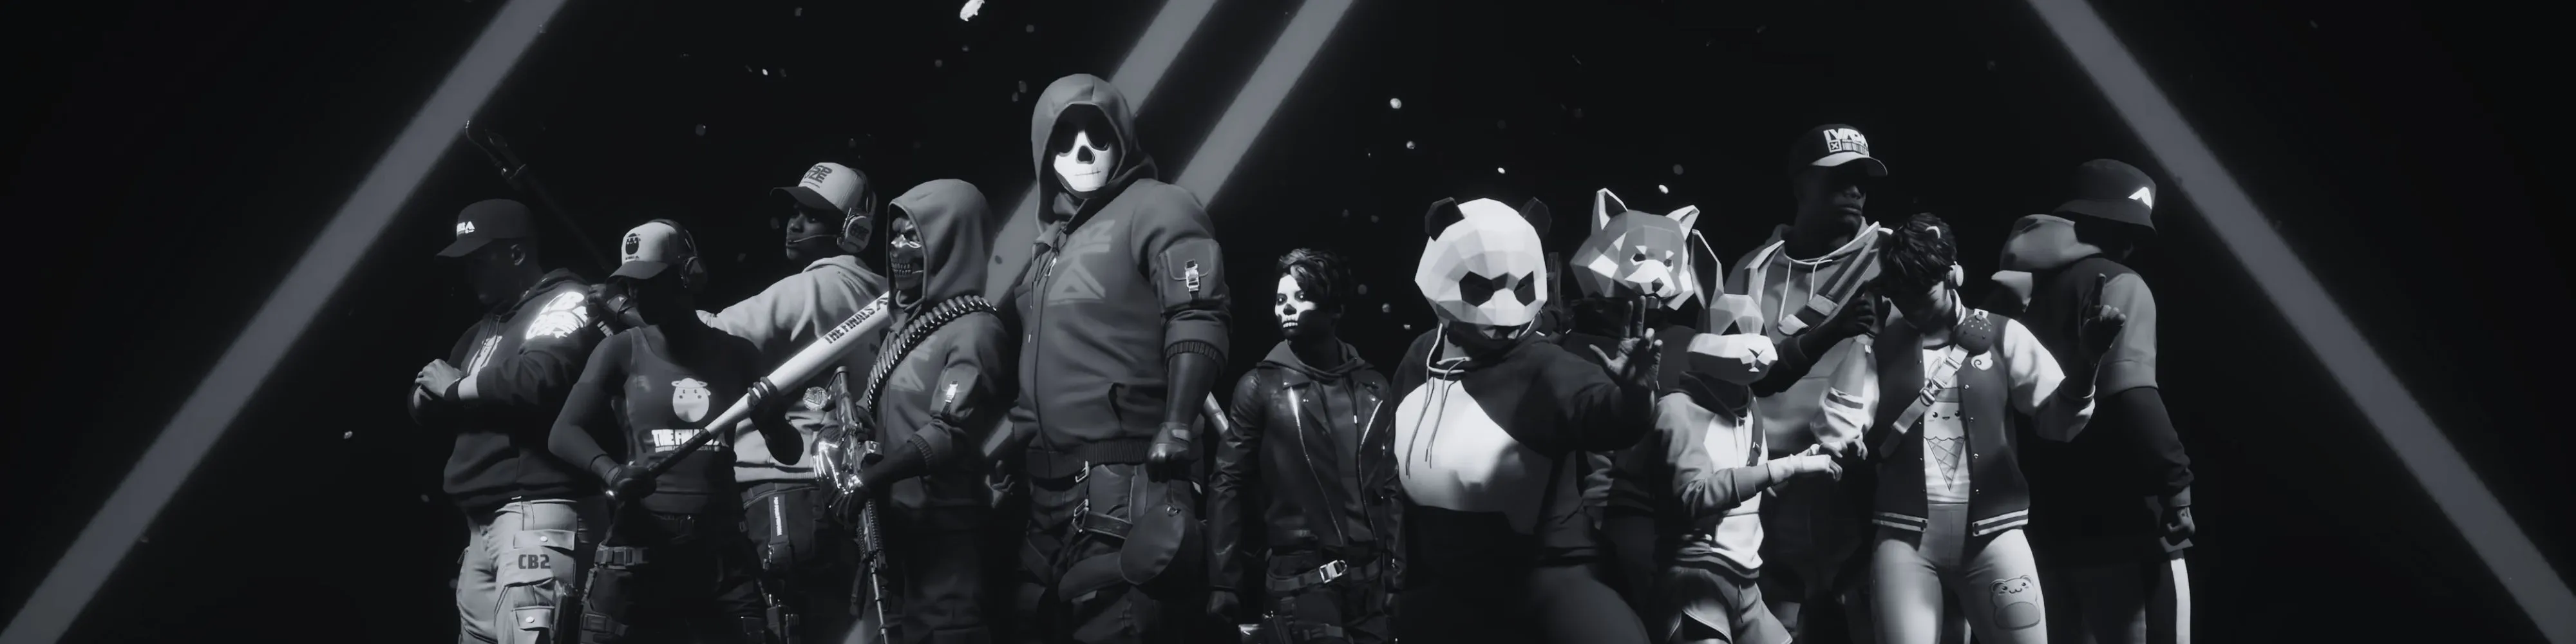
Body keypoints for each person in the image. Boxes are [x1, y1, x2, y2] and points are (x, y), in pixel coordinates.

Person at [1812, 213, 2125, 644]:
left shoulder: (2004, 335)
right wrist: (1864, 338)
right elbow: (1836, 431)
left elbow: (2059, 424)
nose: (1913, 304)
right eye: (1902, 291)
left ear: (1953, 275)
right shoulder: (1882, 346)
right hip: (1905, 537)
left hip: (1995, 532)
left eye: (1922, 291)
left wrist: (2088, 362)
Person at [997, 73, 1233, 644]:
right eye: (1065, 136)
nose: (1083, 150)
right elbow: (1039, 365)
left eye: (1096, 133)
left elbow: (1198, 312)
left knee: (1120, 624)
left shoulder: (1159, 206)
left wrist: (1178, 422)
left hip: (1129, 480)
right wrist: (1015, 446)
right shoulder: (1046, 252)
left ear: (1122, 138)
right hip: (1045, 497)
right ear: (1044, 150)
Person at [1390, 196, 1660, 644]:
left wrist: (1634, 396)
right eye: (1482, 288)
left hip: (1544, 572)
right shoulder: (1421, 355)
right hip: (1443, 581)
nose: (1504, 311)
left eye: (1519, 289)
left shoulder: (1545, 365)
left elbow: (1606, 415)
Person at [550, 220, 775, 644]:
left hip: (721, 551)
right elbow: (563, 432)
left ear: (689, 274)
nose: (636, 294)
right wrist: (612, 472)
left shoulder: (738, 354)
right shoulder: (620, 349)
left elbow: (786, 448)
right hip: (640, 546)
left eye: (649, 281)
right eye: (630, 284)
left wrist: (772, 417)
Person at [2003, 160, 2197, 644]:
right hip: (2122, 524)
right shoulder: (2119, 283)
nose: (2134, 245)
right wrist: (2176, 485)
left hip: (2039, 524)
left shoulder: (2015, 293)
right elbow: (2133, 397)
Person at [700, 161, 890, 644]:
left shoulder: (812, 287)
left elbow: (709, 339)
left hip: (782, 492)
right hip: (843, 498)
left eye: (813, 215)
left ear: (853, 230)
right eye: (794, 211)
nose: (795, 223)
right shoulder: (885, 296)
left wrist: (638, 306)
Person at [412, 198, 612, 644]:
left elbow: (539, 377)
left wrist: (454, 389)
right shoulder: (489, 323)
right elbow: (436, 386)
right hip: (484, 524)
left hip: (538, 511)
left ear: (517, 253)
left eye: (479, 260)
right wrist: (430, 397)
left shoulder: (566, 300)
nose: (470, 273)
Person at [824, 178, 1016, 643]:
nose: (896, 248)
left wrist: (872, 479)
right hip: (895, 537)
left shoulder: (974, 329)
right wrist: (843, 429)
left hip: (946, 541)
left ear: (950, 241)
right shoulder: (904, 328)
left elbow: (950, 432)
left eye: (913, 235)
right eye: (894, 235)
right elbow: (876, 410)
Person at [1724, 124, 1893, 644]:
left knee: (1866, 617)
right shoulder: (1753, 268)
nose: (1855, 190)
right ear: (1800, 185)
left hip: (1860, 480)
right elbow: (1730, 375)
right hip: (1768, 482)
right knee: (1776, 615)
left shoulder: (1894, 256)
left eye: (1862, 180)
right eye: (1838, 178)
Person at [1208, 248, 1402, 643]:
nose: (1286, 308)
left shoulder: (1373, 386)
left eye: (1301, 297)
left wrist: (1398, 574)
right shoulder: (1260, 387)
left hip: (1371, 587)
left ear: (1335, 308)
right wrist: (1223, 581)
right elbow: (1227, 483)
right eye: (1281, 299)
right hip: (1300, 582)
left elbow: (1390, 485)